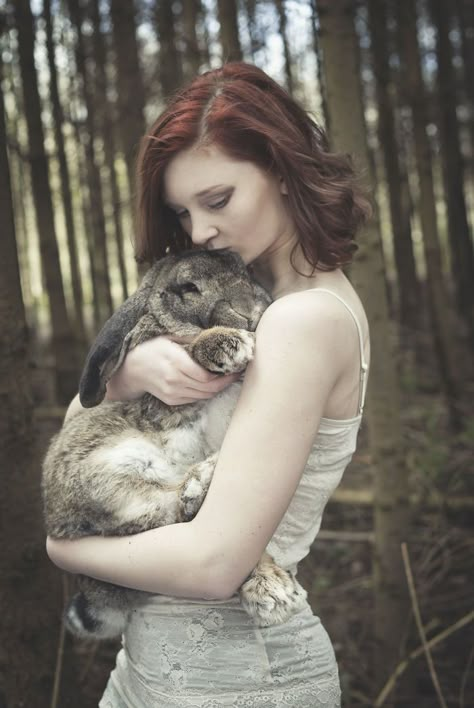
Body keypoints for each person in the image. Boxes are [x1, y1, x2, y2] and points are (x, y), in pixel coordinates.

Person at [47, 62, 371, 708]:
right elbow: (81, 437)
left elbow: (215, 563)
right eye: (182, 212)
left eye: (217, 200)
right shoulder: (263, 305)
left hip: (238, 677)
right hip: (152, 667)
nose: (198, 233)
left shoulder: (301, 320)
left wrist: (66, 546)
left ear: (280, 167)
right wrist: (124, 379)